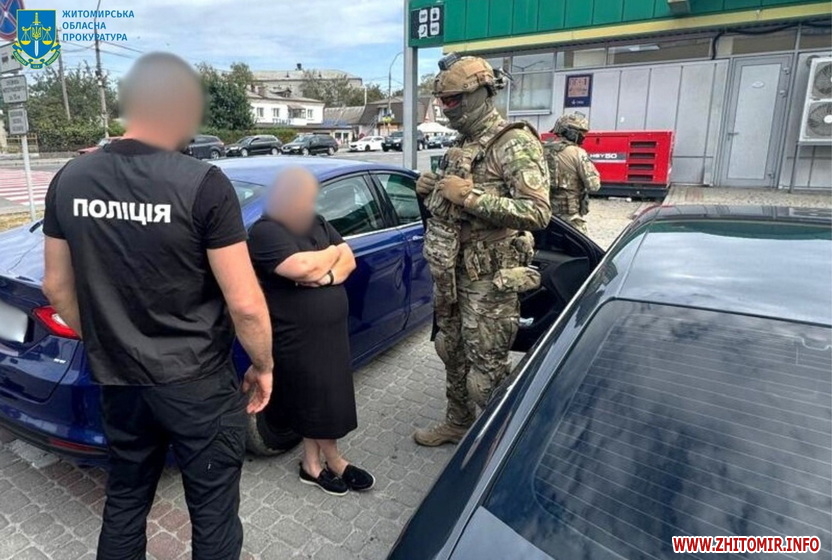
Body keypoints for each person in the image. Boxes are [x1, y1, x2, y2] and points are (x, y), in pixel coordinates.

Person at [42, 52, 273, 560]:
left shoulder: (70, 178)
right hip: (196, 383)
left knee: (125, 500)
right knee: (212, 512)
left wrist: (108, 339)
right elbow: (245, 304)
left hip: (120, 380)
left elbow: (56, 288)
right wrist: (263, 365)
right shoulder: (204, 183)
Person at [413, 54, 551, 447]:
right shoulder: (462, 143)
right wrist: (430, 189)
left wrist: (471, 198)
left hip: (489, 280)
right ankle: (458, 423)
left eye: (453, 100)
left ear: (481, 93)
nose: (446, 108)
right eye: (443, 101)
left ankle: (499, 446)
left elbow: (538, 212)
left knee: (486, 371)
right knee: (450, 351)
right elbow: (449, 205)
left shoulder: (514, 142)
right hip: (451, 272)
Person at [247, 167, 375, 496]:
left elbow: (349, 259)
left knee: (326, 397)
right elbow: (300, 268)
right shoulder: (265, 231)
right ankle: (333, 461)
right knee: (315, 400)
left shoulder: (315, 221)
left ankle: (312, 463)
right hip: (296, 334)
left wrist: (327, 273)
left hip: (330, 333)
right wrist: (331, 254)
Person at [544, 112, 601, 234]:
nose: (583, 137)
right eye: (582, 134)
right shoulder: (578, 153)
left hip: (545, 216)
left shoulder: (541, 150)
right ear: (571, 133)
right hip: (570, 220)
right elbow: (594, 185)